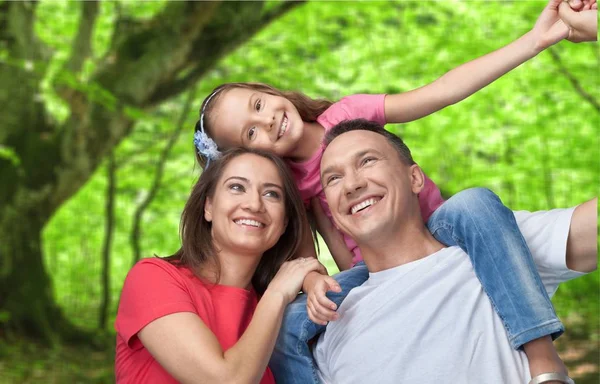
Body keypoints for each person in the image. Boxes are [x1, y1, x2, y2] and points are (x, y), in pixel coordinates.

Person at [193, 0, 598, 382]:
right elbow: (306, 259)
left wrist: (536, 40)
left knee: (474, 203)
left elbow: (440, 91)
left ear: (271, 92)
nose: (267, 123)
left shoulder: (348, 114)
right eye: (251, 133)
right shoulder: (290, 187)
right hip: (367, 271)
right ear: (251, 153)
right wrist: (317, 284)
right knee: (288, 325)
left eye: (259, 106)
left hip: (438, 230)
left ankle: (542, 355)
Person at [313, 119, 594, 384]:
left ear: (415, 178)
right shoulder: (331, 327)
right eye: (334, 179)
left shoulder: (493, 244)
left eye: (367, 161)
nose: (352, 185)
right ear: (333, 213)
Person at [114, 148, 325, 383]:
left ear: (285, 222)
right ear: (209, 207)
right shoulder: (151, 279)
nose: (254, 204)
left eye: (272, 194)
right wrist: (277, 292)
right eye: (237, 187)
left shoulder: (278, 314)